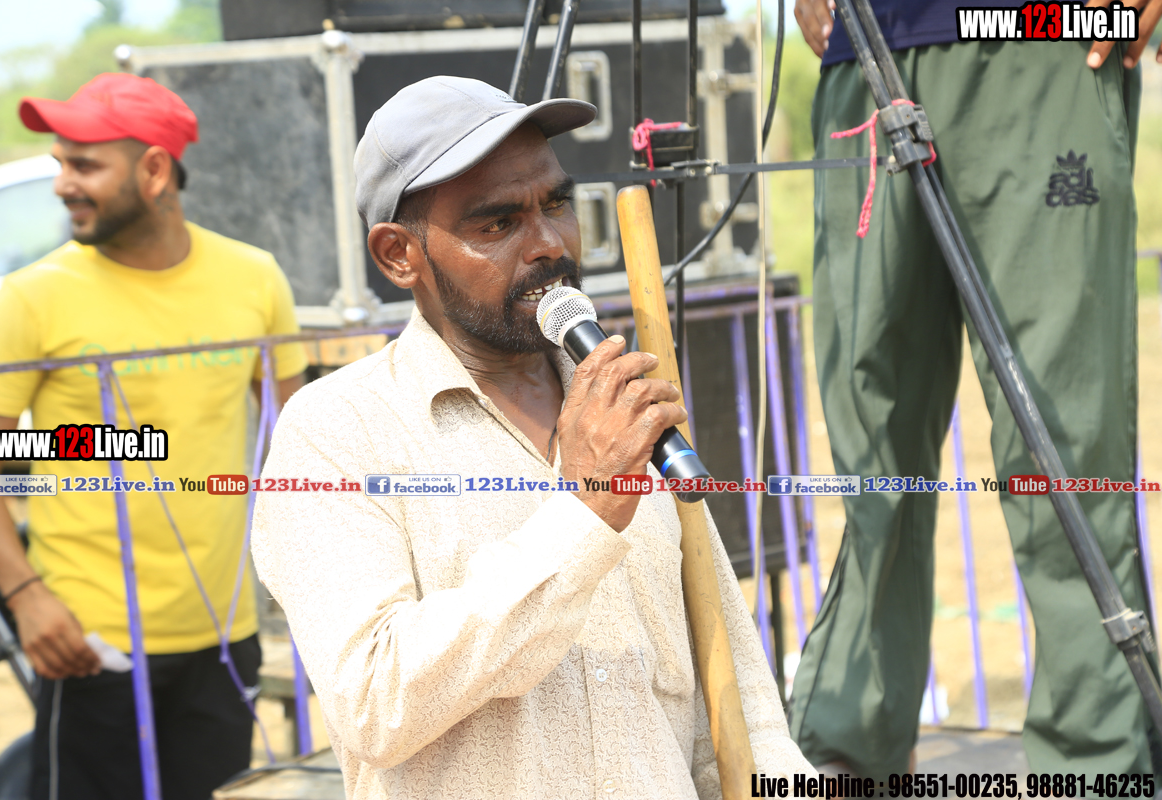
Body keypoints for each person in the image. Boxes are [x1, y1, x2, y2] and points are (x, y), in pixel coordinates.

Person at [250, 76, 814, 799]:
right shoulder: (336, 432)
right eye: (498, 223)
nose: (549, 244)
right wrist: (583, 514)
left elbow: (737, 706)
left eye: (556, 204)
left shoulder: (627, 411)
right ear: (398, 255)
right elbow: (373, 703)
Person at [786, 0, 1162, 779]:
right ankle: (851, 756)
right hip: (866, 47)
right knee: (871, 459)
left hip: (1042, 39)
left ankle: (1098, 770)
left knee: (1063, 452)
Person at [0, 73, 307, 800]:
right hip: (89, 642)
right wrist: (26, 597)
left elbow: (299, 442)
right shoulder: (33, 295)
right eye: (59, 163)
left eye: (84, 164)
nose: (62, 184)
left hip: (224, 631)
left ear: (154, 171)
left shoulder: (254, 278)